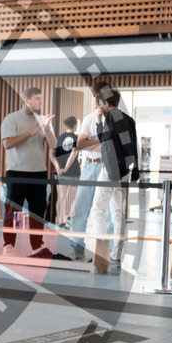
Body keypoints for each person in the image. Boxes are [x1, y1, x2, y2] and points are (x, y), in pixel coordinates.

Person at [0, 86, 64, 260]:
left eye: (41, 99)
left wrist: (47, 129)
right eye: (37, 99)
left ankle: (37, 246)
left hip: (38, 173)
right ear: (27, 100)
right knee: (13, 212)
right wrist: (32, 132)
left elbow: (53, 145)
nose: (40, 102)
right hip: (16, 172)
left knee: (37, 212)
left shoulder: (42, 120)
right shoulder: (11, 118)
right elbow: (8, 144)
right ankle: (8, 245)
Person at [89, 86, 139, 270]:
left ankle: (102, 252)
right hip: (125, 171)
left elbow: (105, 141)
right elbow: (131, 145)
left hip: (110, 171)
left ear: (105, 102)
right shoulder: (128, 119)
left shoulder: (110, 117)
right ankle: (116, 256)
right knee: (118, 214)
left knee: (97, 210)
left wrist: (98, 121)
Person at [69, 82, 116, 261]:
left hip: (107, 166)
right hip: (89, 166)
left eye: (99, 97)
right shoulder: (89, 118)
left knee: (108, 212)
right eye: (94, 97)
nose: (96, 100)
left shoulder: (114, 118)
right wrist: (103, 143)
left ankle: (107, 253)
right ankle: (77, 248)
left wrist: (95, 144)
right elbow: (80, 144)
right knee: (80, 208)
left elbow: (112, 146)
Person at [52, 116, 81, 228]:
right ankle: (69, 216)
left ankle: (61, 221)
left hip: (60, 172)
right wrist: (67, 168)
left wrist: (58, 166)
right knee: (76, 196)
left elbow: (53, 154)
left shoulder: (59, 138)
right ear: (75, 125)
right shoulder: (77, 138)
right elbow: (73, 156)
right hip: (73, 171)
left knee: (61, 197)